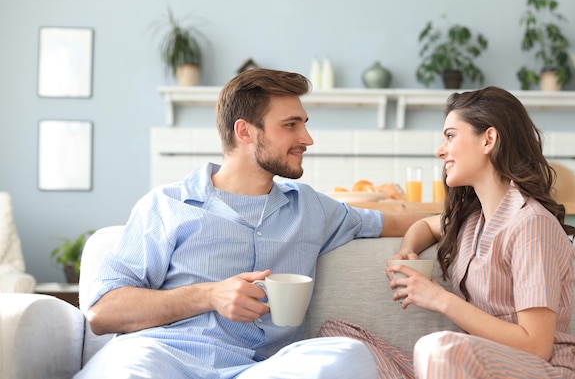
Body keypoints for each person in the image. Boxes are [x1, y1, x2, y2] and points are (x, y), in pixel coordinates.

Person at [75, 68, 424, 379]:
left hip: (264, 368)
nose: (307, 138)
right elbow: (103, 310)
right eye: (291, 125)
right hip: (164, 358)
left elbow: (402, 219)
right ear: (245, 131)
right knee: (126, 367)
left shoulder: (311, 208)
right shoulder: (167, 205)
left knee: (346, 355)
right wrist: (209, 295)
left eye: (304, 123)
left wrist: (450, 221)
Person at [386, 87, 575, 379]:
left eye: (450, 135)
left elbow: (536, 345)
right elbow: (427, 226)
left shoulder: (531, 225)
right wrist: (408, 250)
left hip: (540, 371)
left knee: (438, 348)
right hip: (470, 368)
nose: (440, 150)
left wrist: (441, 299)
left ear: (488, 140)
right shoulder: (474, 221)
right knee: (341, 336)